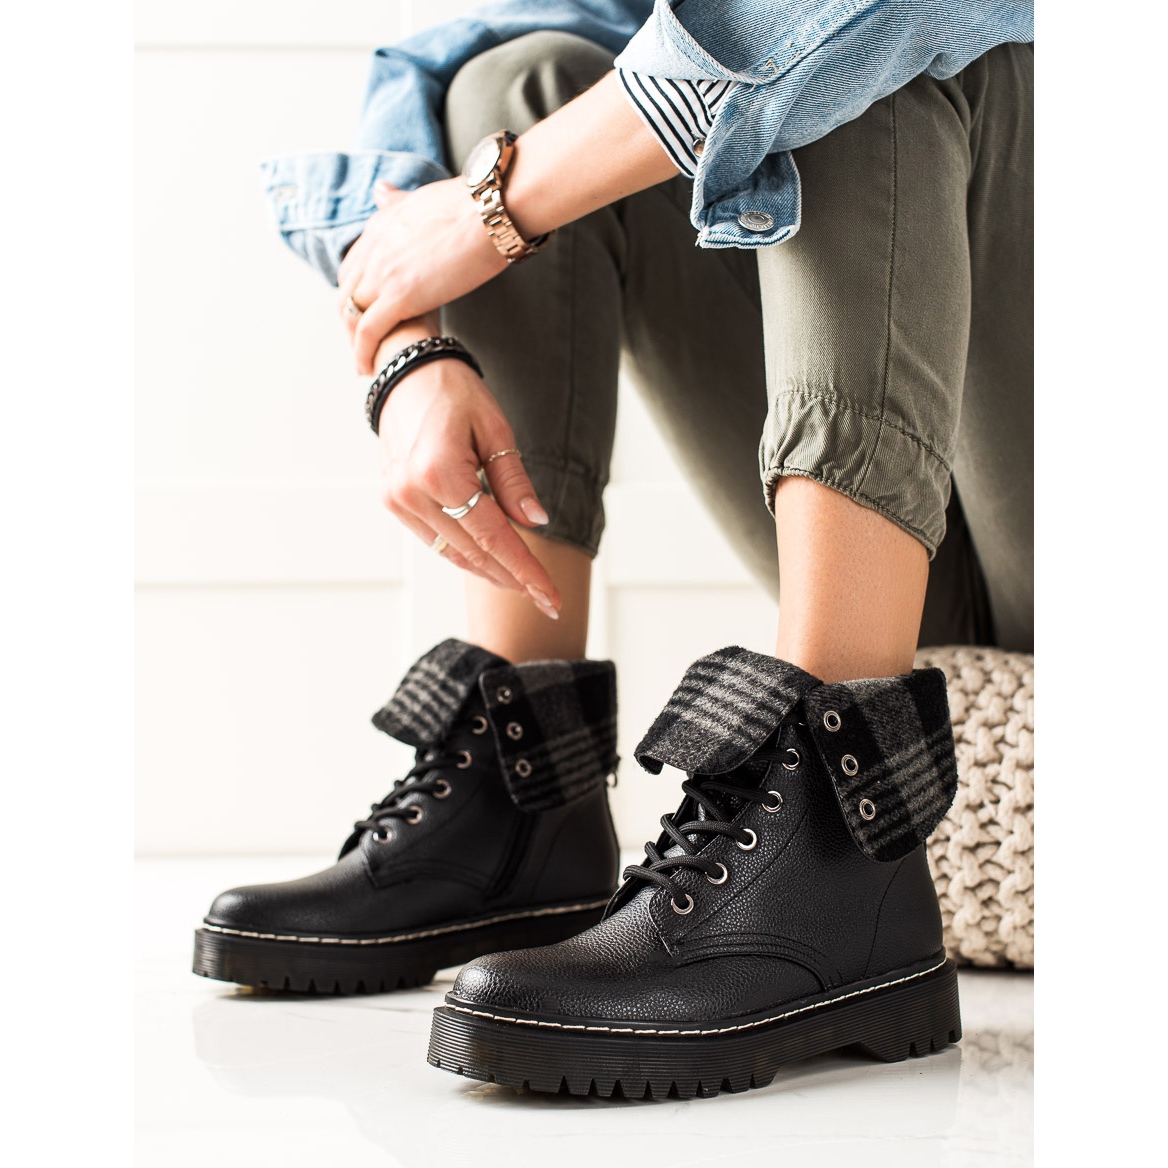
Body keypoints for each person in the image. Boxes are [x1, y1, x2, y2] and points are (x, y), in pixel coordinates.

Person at [194, 0, 1034, 1098]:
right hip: (933, 507)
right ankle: (525, 789)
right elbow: (461, 54)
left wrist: (495, 211)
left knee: (843, 56)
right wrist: (406, 340)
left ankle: (838, 838)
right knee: (525, 83)